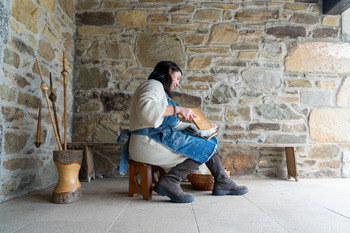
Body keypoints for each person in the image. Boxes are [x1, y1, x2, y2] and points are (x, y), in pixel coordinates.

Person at [118, 61, 248, 203]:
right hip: (147, 144)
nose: (177, 84)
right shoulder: (153, 85)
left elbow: (174, 124)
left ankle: (222, 180)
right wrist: (177, 109)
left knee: (206, 141)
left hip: (151, 140)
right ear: (169, 72)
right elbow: (146, 111)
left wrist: (204, 128)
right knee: (203, 147)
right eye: (177, 78)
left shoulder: (159, 90)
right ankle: (171, 181)